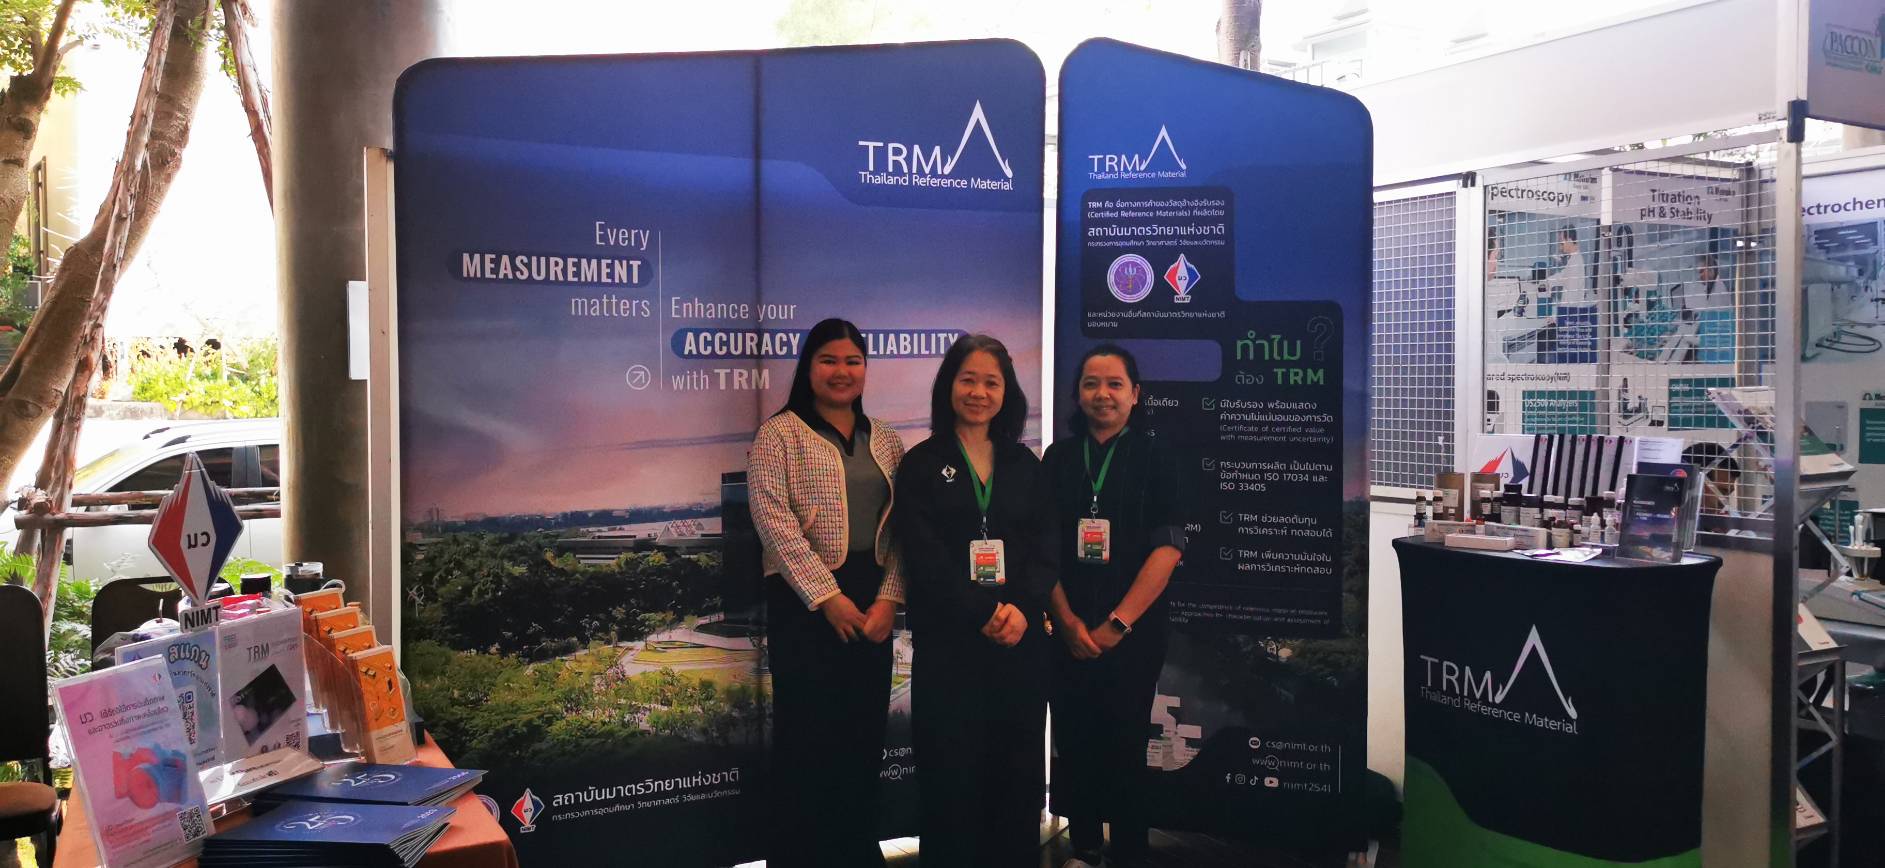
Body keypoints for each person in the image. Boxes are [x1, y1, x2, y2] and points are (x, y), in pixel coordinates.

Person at [748, 318, 904, 868]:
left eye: (853, 361)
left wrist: (889, 599)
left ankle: (857, 852)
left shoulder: (886, 438)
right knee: (808, 741)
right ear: (809, 367)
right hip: (804, 605)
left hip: (873, 600)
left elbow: (904, 527)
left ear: (866, 369)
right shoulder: (779, 434)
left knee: (863, 737)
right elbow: (773, 522)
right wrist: (827, 598)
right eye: (829, 360)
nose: (842, 371)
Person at [894, 334, 1053, 868]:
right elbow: (924, 556)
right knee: (950, 777)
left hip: (1019, 647)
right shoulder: (921, 464)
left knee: (1016, 775)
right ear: (949, 386)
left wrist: (1022, 609)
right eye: (968, 380)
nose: (979, 393)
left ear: (1007, 392)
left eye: (991, 382)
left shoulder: (1025, 463)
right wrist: (983, 612)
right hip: (951, 649)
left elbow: (1046, 547)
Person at [1043, 344, 1186, 868]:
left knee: (1125, 744)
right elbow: (1042, 549)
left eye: (1114, 384)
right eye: (1090, 383)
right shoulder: (1058, 458)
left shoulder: (1158, 457)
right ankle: (1083, 846)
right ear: (1077, 394)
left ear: (1135, 394)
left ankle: (1129, 852)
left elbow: (1168, 550)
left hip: (1134, 634)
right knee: (1074, 740)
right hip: (1065, 629)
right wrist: (1066, 620)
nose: (1102, 394)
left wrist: (1116, 625)